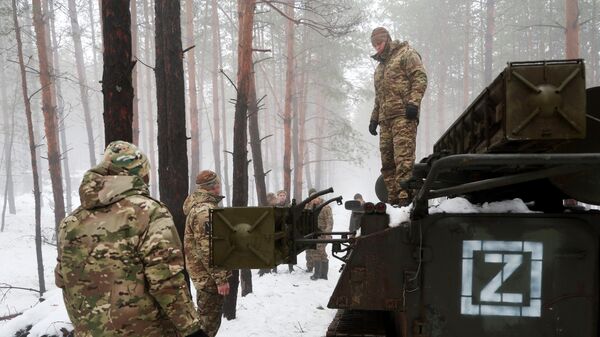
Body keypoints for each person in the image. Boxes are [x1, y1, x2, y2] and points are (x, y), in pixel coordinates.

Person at [55, 141, 206, 337]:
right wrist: (191, 328)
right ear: (140, 173)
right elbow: (165, 280)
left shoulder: (71, 221)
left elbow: (62, 279)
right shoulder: (148, 212)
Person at [368, 27, 428, 206]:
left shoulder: (406, 54)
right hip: (385, 120)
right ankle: (393, 200)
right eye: (374, 44)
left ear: (387, 39)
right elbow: (379, 97)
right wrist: (374, 118)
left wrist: (413, 103)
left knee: (403, 159)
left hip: (404, 116)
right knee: (387, 162)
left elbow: (420, 78)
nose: (377, 47)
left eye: (379, 43)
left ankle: (405, 199)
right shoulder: (379, 69)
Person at [184, 170, 231, 337]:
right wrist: (220, 279)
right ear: (214, 186)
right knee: (207, 327)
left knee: (206, 322)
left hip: (204, 275)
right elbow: (208, 247)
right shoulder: (204, 211)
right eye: (218, 183)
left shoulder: (202, 207)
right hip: (209, 278)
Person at [306, 189, 334, 280]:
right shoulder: (309, 206)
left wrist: (327, 234)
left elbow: (330, 222)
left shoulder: (325, 207)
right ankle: (322, 274)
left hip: (322, 234)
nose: (314, 200)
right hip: (312, 234)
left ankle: (318, 274)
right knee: (318, 253)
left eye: (316, 198)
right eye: (312, 198)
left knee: (319, 252)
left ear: (319, 197)